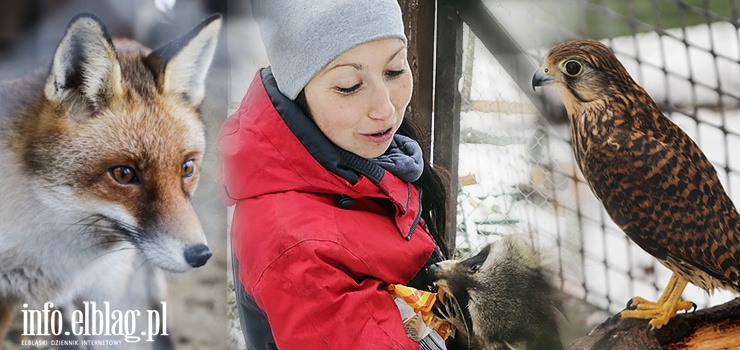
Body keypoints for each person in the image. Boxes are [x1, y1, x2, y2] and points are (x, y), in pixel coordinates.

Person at [218, 0, 451, 348]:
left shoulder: (352, 151)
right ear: (299, 92)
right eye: (348, 85)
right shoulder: (296, 248)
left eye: (395, 71)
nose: (386, 108)